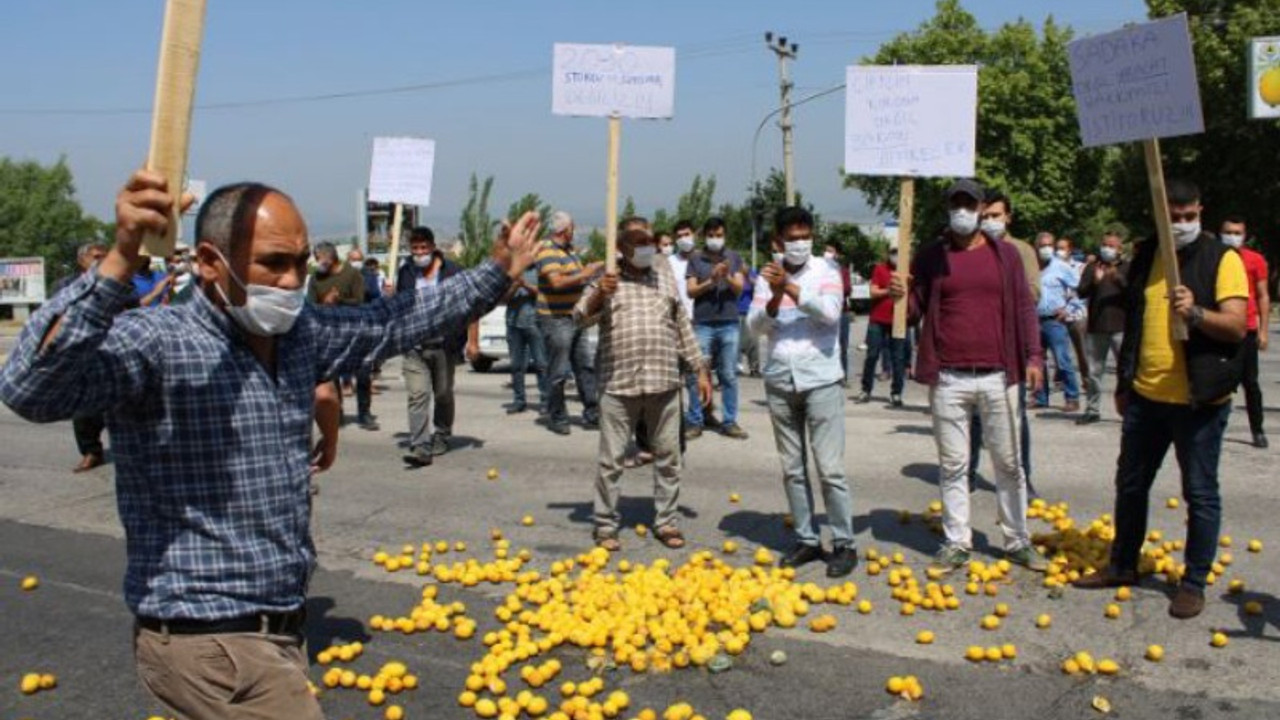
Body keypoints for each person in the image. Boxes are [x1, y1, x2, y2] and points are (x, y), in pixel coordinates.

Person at [0, 170, 539, 720]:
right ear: (210, 262)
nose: (290, 283)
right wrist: (120, 257)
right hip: (209, 640)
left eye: (300, 264)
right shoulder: (158, 343)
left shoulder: (298, 336)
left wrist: (496, 272)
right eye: (273, 264)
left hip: (274, 633)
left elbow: (392, 321)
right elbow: (30, 387)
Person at [1074, 179, 1248, 620]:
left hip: (1198, 401)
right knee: (1130, 484)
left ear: (1201, 213)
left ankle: (1193, 583)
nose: (1183, 224)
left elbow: (1235, 325)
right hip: (1147, 398)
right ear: (1161, 217)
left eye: (1190, 216)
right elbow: (1133, 323)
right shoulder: (1148, 256)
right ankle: (1123, 564)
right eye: (1174, 217)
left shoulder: (1221, 259)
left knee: (1200, 493)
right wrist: (1124, 383)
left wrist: (1196, 313)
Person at [889, 179, 1047, 573]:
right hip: (948, 378)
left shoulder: (1006, 255)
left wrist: (1033, 356)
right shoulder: (930, 257)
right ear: (948, 210)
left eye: (970, 205)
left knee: (1009, 464)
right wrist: (898, 295)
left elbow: (1026, 310)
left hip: (999, 375)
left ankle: (1016, 540)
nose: (963, 211)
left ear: (981, 210)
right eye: (956, 204)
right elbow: (912, 313)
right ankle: (957, 540)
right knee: (955, 465)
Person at [576, 228, 711, 552]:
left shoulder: (664, 278)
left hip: (663, 382)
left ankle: (667, 521)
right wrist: (599, 295)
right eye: (639, 246)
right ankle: (605, 524)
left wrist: (700, 369)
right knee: (612, 460)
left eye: (649, 245)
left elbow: (682, 327)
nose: (647, 250)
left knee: (669, 457)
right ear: (622, 249)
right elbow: (579, 317)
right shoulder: (607, 279)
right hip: (619, 384)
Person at [749, 207, 857, 577]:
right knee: (792, 468)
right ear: (778, 241)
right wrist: (776, 298)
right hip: (780, 378)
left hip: (821, 378)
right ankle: (807, 538)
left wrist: (791, 289)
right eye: (791, 237)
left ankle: (844, 542)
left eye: (804, 236)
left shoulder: (827, 271)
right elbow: (755, 326)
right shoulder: (767, 276)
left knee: (830, 468)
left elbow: (830, 314)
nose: (799, 243)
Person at [969, 192, 1039, 495]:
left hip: (1011, 347)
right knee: (972, 418)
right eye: (985, 216)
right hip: (976, 343)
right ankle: (968, 473)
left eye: (996, 215)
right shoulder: (969, 247)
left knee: (1015, 416)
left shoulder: (1021, 251)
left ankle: (1022, 477)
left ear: (1008, 217)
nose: (990, 221)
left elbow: (1033, 294)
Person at [397, 227, 476, 464]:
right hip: (415, 346)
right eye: (415, 248)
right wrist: (389, 296)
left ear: (432, 247)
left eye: (423, 248)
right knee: (418, 394)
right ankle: (420, 445)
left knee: (442, 393)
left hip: (444, 345)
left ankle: (441, 433)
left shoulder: (453, 272)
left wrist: (472, 341)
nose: (419, 253)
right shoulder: (406, 274)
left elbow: (471, 307)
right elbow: (400, 308)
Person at [536, 211, 603, 435]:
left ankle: (592, 412)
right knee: (558, 370)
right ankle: (557, 416)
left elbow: (579, 277)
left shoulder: (570, 251)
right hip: (555, 319)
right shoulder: (547, 249)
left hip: (574, 316)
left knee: (584, 365)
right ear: (566, 230)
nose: (574, 231)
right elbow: (556, 282)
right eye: (573, 228)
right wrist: (585, 273)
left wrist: (598, 268)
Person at [686, 216, 749, 440]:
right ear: (705, 237)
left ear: (725, 235)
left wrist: (727, 277)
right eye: (711, 235)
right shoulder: (695, 258)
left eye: (719, 235)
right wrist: (711, 281)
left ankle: (730, 421)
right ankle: (695, 420)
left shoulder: (733, 257)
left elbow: (740, 288)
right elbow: (691, 291)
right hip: (703, 323)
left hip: (729, 322)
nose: (715, 239)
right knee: (697, 374)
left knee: (729, 374)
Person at [51, 242, 110, 473]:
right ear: (81, 260)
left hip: (113, 347)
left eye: (104, 257)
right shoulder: (66, 285)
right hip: (82, 351)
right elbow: (57, 315)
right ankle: (91, 451)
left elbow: (132, 308)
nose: (100, 261)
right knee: (85, 408)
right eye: (96, 257)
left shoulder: (119, 283)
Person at [308, 241, 378, 431]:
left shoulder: (352, 274)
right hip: (330, 333)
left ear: (330, 257)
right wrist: (325, 301)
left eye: (319, 258)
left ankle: (364, 413)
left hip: (355, 330)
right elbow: (311, 306)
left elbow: (360, 301)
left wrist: (340, 300)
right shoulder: (316, 279)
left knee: (363, 373)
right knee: (332, 376)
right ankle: (336, 413)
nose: (317, 262)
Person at [1221, 216, 1270, 448]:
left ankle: (1257, 429)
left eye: (1237, 232)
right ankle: (1213, 425)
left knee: (1250, 382)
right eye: (1228, 232)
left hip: (1247, 328)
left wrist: (1263, 331)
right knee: (1219, 379)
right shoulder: (1214, 257)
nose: (1233, 236)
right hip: (1220, 326)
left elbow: (1263, 295)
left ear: (1244, 234)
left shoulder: (1254, 260)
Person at [1076, 231, 1129, 425]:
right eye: (1105, 245)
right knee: (1093, 372)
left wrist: (1118, 280)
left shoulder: (1126, 268)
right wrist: (1094, 282)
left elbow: (1134, 294)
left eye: (1112, 246)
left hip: (1120, 327)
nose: (1107, 249)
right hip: (1096, 327)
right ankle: (1092, 409)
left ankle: (1129, 409)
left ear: (1119, 249)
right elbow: (1080, 292)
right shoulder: (1092, 267)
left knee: (1125, 370)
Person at [502, 223, 549, 415]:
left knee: (541, 363)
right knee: (516, 365)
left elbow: (546, 294)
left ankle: (546, 401)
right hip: (514, 322)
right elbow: (503, 297)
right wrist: (514, 285)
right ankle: (518, 400)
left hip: (535, 322)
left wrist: (526, 286)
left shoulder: (541, 269)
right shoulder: (512, 270)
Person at [1033, 232, 1082, 412]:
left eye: (1050, 245)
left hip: (1055, 321)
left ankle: (1072, 397)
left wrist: (1069, 309)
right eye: (1042, 245)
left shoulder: (1062, 267)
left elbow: (1080, 289)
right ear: (1036, 247)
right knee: (1037, 361)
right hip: (1033, 321)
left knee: (1062, 361)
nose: (1046, 249)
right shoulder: (1030, 267)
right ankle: (1040, 396)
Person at [856, 246, 907, 406]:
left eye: (898, 253)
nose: (895, 256)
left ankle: (896, 393)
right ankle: (866, 389)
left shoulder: (907, 270)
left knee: (898, 358)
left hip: (898, 320)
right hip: (877, 320)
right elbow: (873, 292)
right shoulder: (880, 269)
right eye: (893, 253)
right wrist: (889, 292)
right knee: (872, 356)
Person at [1056, 236, 1091, 397]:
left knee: (1082, 352)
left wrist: (1067, 308)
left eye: (1062, 248)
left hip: (1077, 315)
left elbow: (1080, 293)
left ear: (1070, 250)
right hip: (1058, 316)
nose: (1059, 251)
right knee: (1060, 352)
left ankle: (1087, 381)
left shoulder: (1080, 267)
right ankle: (1063, 381)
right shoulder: (1052, 267)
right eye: (1058, 247)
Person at [824, 241, 854, 383]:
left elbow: (847, 289)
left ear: (837, 254)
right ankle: (826, 376)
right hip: (824, 312)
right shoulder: (819, 270)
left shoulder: (843, 271)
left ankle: (843, 376)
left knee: (842, 345)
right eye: (826, 251)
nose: (828, 253)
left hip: (842, 312)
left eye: (831, 251)